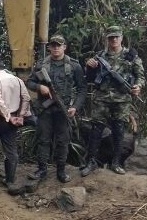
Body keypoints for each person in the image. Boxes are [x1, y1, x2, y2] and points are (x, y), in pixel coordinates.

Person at [81, 26, 144, 177]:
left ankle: (116, 162)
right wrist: (89, 67)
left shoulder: (131, 56)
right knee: (96, 130)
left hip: (122, 99)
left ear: (121, 38)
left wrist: (138, 86)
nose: (114, 40)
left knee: (119, 130)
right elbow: (89, 79)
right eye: (111, 37)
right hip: (102, 98)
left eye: (116, 37)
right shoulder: (99, 57)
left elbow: (140, 75)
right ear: (107, 39)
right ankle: (91, 162)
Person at [26, 35, 86, 183]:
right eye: (53, 45)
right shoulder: (41, 65)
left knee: (63, 141)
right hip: (45, 110)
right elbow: (29, 82)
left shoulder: (74, 66)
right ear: (49, 48)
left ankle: (61, 170)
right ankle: (42, 170)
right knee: (43, 140)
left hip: (63, 109)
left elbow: (82, 89)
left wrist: (75, 107)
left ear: (64, 47)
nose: (56, 48)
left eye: (59, 45)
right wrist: (40, 87)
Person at [0, 56, 31, 194]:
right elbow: (26, 97)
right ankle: (10, 180)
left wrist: (8, 117)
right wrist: (20, 116)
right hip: (14, 119)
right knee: (11, 149)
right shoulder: (17, 79)